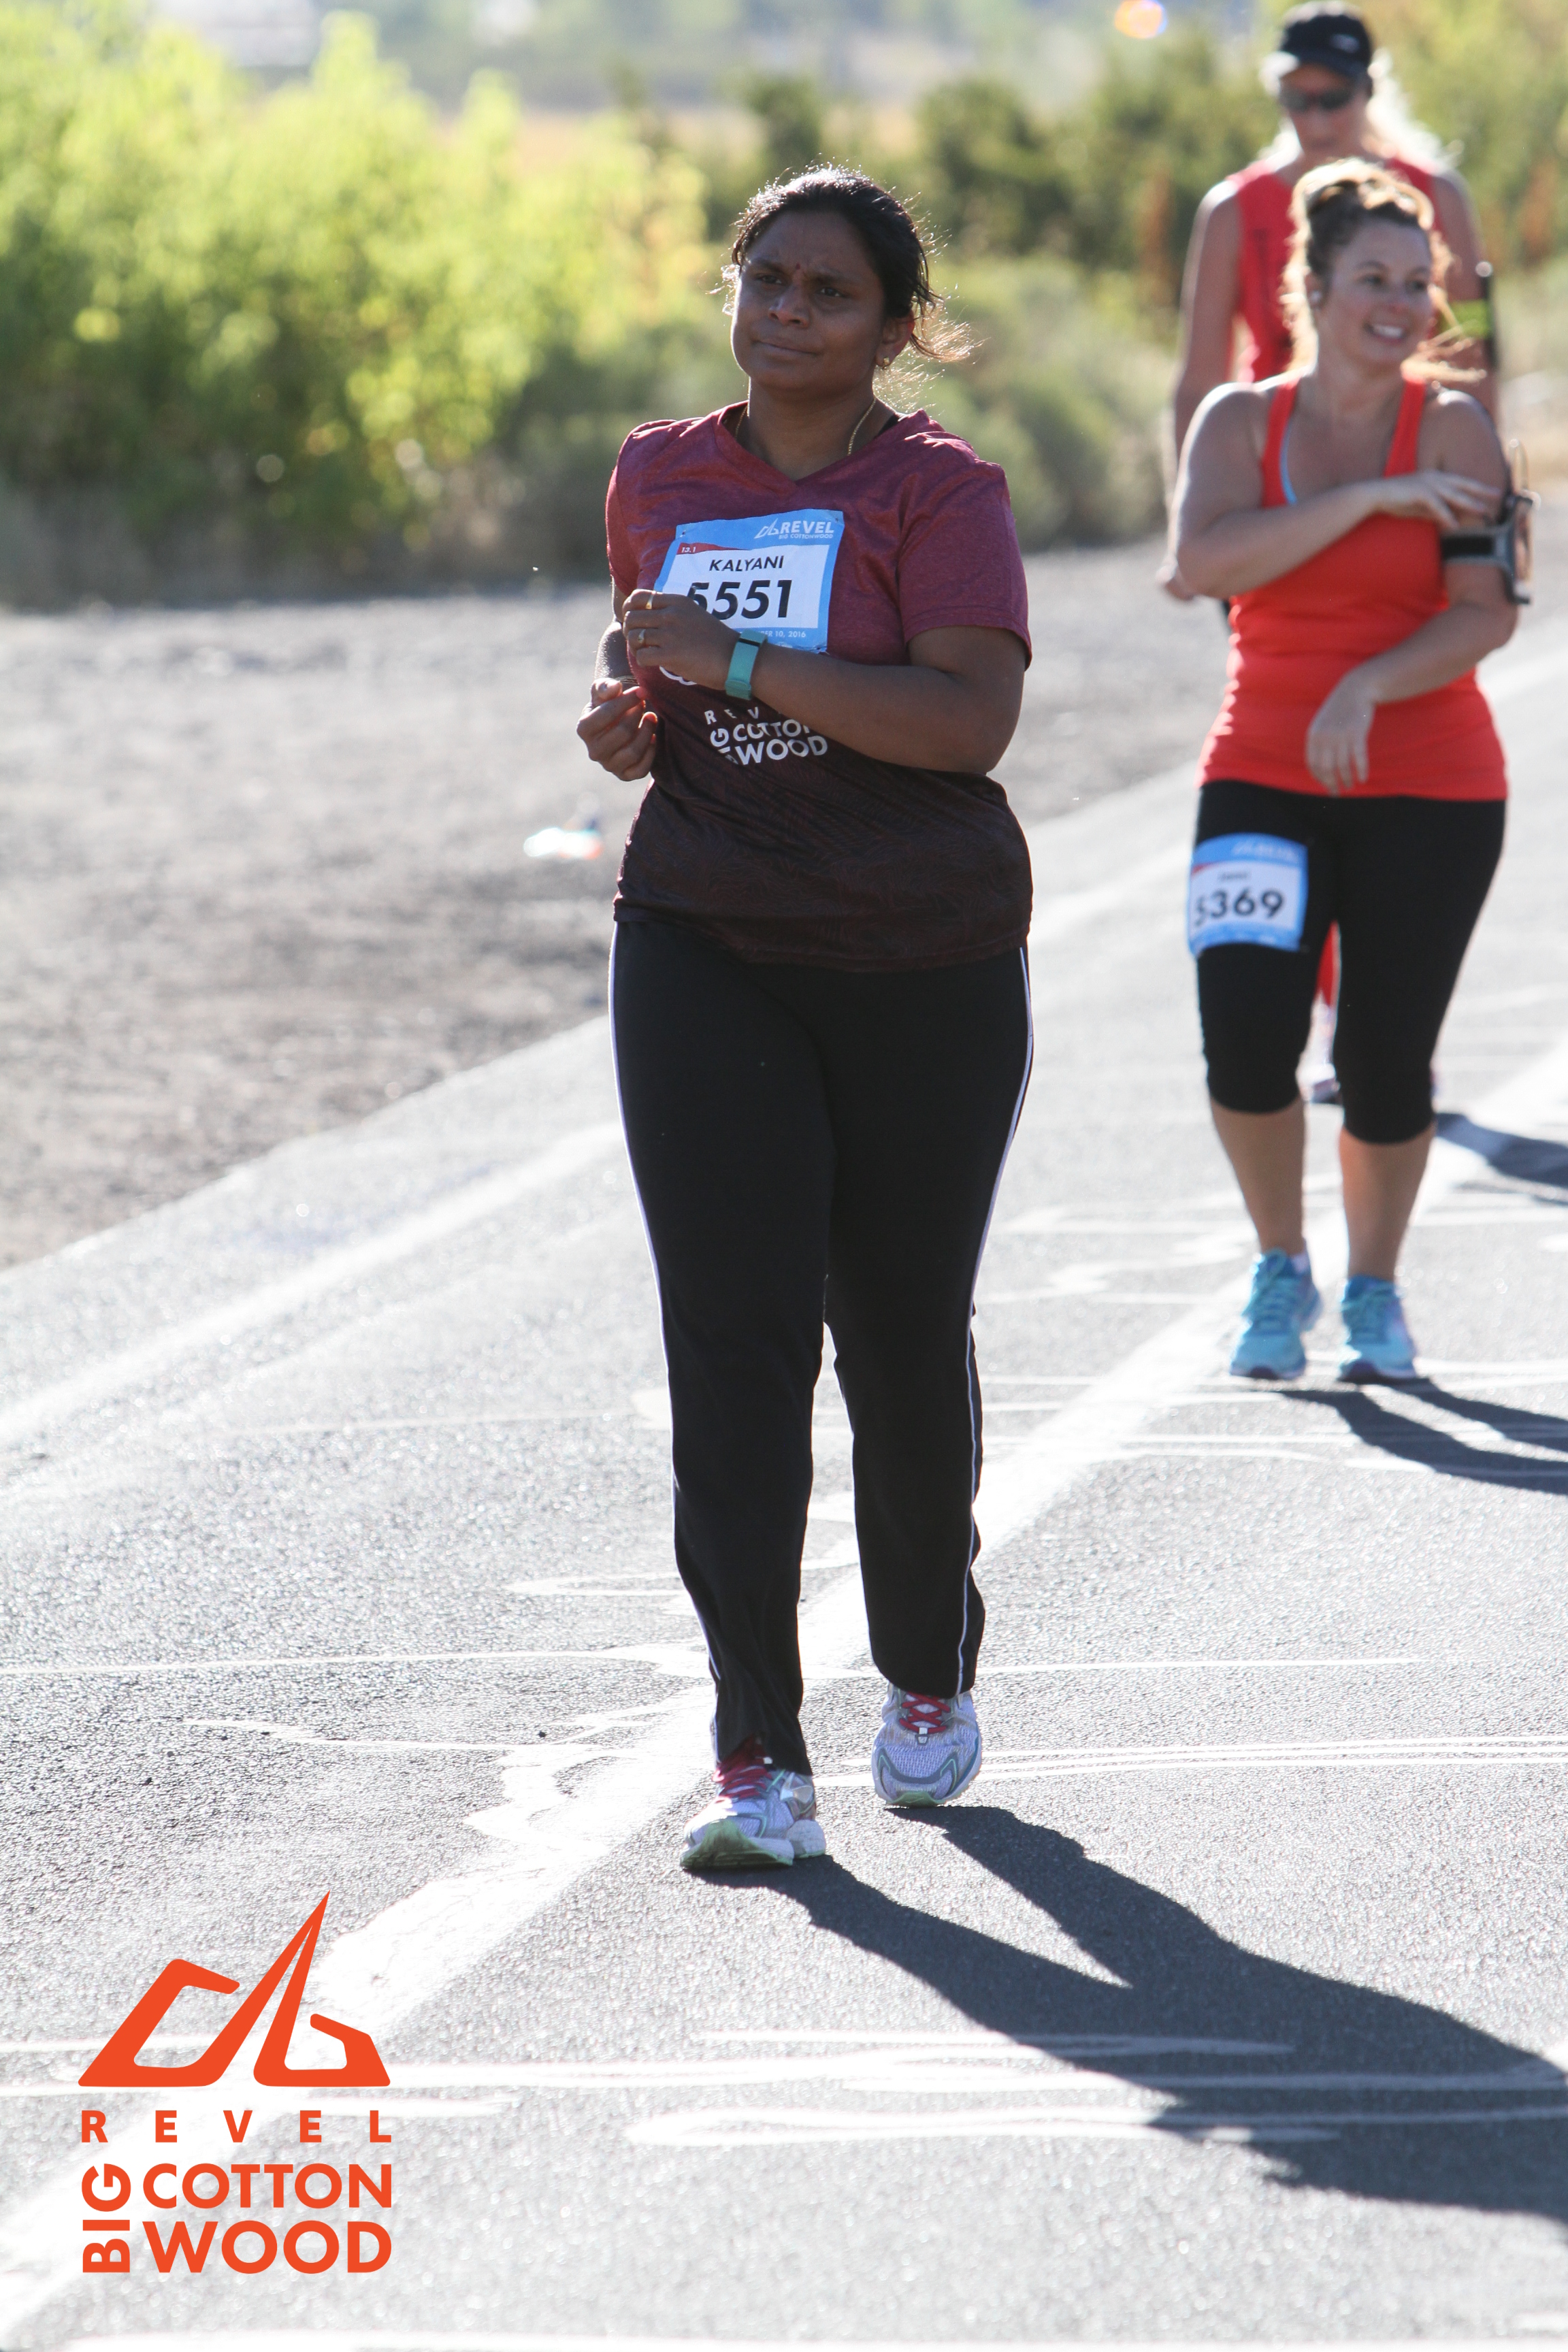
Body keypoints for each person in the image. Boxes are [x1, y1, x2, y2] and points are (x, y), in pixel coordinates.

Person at [576, 169, 1034, 1870]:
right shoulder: (658, 473)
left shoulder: (942, 491)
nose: (786, 310)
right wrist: (634, 725)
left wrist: (746, 669)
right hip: (705, 935)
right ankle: (757, 1757)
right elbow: (659, 671)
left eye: (829, 291)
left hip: (923, 952)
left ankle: (923, 1667)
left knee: (899, 1336)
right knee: (734, 1341)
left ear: (896, 327)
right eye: (765, 277)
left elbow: (968, 723)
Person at [1171, 160, 1517, 1386]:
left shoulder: (1458, 426)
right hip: (1260, 773)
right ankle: (1281, 1263)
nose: (1403, 304)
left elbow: (1485, 612)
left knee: (1382, 1059)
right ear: (1311, 289)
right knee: (1244, 1038)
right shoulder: (1239, 422)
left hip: (1430, 786)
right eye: (1375, 278)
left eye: (1420, 284)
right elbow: (1205, 562)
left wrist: (1370, 683)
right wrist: (1373, 497)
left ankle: (1374, 1284)